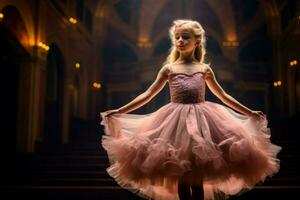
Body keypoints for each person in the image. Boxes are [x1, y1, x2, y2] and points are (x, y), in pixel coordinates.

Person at [100, 19, 281, 200]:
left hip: (203, 122)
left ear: (197, 41)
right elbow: (147, 95)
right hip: (174, 122)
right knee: (183, 178)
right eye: (177, 37)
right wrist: (120, 111)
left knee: (198, 178)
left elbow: (224, 96)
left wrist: (249, 112)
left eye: (185, 37)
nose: (180, 40)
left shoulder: (204, 69)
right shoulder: (169, 69)